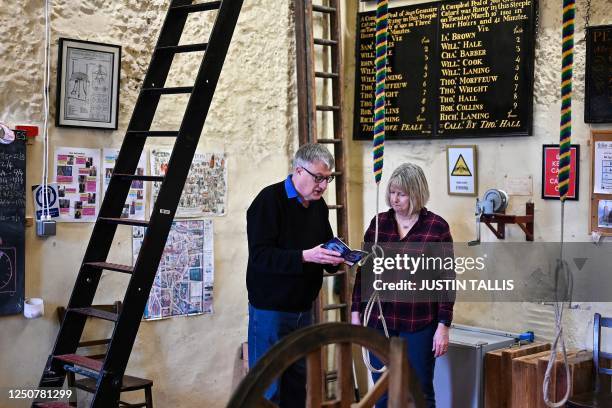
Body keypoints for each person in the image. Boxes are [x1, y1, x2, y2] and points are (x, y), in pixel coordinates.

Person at [246, 143, 345, 407]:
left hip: (304, 311)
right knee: (268, 389)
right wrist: (304, 256)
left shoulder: (318, 206)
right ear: (298, 171)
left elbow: (323, 247)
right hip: (271, 311)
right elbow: (260, 256)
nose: (323, 186)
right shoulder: (268, 201)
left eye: (328, 178)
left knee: (298, 388)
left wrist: (338, 259)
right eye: (319, 178)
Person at [351, 163, 454, 408]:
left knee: (418, 391)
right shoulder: (379, 224)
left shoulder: (436, 228)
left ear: (416, 194)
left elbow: (447, 280)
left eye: (402, 194)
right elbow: (364, 271)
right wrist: (356, 313)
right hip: (379, 319)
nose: (394, 199)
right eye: (392, 192)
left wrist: (443, 326)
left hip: (418, 322)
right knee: (382, 392)